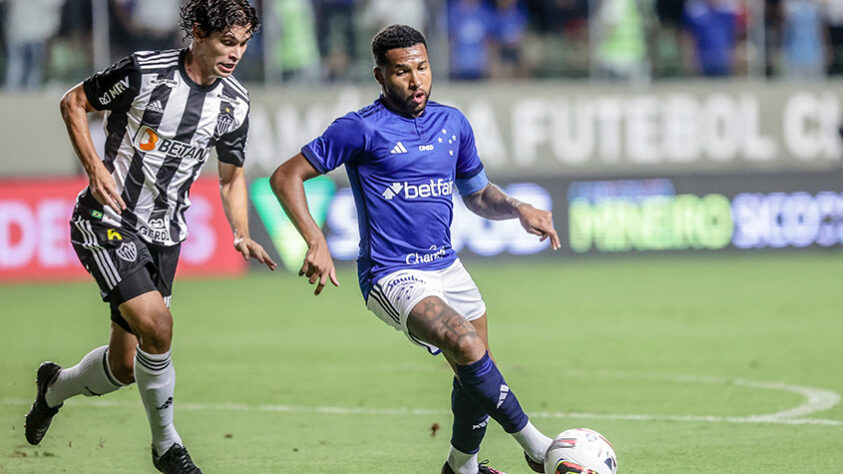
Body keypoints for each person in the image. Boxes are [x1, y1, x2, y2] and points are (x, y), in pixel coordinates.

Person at [270, 24, 561, 474]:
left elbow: (478, 194)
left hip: (448, 267)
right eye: (402, 71)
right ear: (380, 76)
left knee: (476, 371)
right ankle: (539, 448)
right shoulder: (359, 128)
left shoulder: (453, 123)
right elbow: (285, 176)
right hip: (391, 273)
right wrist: (315, 239)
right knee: (464, 343)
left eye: (422, 68)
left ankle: (461, 467)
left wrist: (519, 208)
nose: (416, 80)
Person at [23, 1, 276, 473]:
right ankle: (167, 447)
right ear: (198, 33)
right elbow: (74, 102)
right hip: (108, 217)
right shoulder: (144, 72)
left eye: (243, 44)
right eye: (226, 42)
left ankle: (53, 388)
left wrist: (241, 232)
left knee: (123, 367)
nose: (235, 53)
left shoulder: (235, 102)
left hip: (166, 235)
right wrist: (95, 168)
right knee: (157, 326)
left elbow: (230, 176)